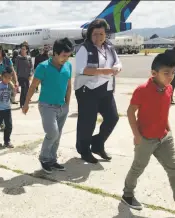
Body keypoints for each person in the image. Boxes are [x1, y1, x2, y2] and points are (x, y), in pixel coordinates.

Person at [121, 53, 175, 216]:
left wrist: (168, 129)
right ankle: (127, 195)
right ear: (154, 73)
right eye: (166, 73)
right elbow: (130, 111)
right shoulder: (142, 90)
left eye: (173, 73)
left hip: (164, 138)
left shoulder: (169, 88)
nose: (170, 77)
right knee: (138, 168)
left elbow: (164, 110)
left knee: (174, 169)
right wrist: (136, 135)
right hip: (146, 139)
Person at [74, 18, 121, 164]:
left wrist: (118, 67)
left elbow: (117, 61)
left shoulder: (109, 47)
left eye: (101, 34)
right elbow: (83, 70)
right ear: (90, 34)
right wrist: (106, 70)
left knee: (113, 118)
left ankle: (97, 143)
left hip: (105, 88)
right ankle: (84, 150)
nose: (98, 37)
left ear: (105, 34)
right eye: (95, 34)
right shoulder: (84, 48)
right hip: (87, 90)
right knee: (88, 122)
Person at [22, 38, 73, 174]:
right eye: (63, 56)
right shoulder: (43, 66)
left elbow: (68, 86)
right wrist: (26, 103)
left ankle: (52, 159)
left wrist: (67, 103)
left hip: (62, 106)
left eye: (68, 56)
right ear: (55, 53)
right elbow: (33, 86)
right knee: (52, 132)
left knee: (58, 135)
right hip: (47, 106)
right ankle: (44, 157)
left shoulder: (68, 66)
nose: (66, 59)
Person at [16, 44, 33, 108]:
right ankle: (21, 103)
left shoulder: (29, 58)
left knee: (26, 90)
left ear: (26, 50)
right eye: (22, 49)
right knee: (23, 89)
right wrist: (16, 77)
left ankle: (24, 102)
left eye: (24, 49)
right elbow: (16, 67)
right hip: (20, 76)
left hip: (27, 76)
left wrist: (30, 74)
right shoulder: (18, 57)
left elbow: (31, 67)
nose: (22, 50)